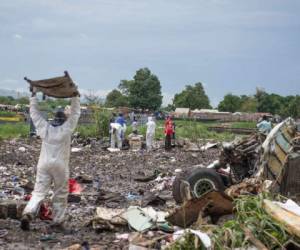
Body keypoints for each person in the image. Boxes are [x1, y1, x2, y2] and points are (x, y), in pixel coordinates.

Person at [21, 89, 81, 231]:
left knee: (38, 191)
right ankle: (57, 222)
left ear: (53, 119)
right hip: (60, 165)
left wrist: (33, 97)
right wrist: (75, 97)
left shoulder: (45, 129)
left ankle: (28, 212)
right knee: (60, 193)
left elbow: (34, 114)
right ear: (63, 120)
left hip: (44, 164)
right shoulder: (67, 128)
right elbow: (75, 113)